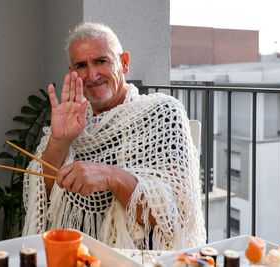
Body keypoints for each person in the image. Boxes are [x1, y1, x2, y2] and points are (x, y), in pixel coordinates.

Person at [22, 22, 205, 250]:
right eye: (81, 65)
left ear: (124, 62)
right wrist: (60, 141)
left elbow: (172, 217)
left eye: (101, 61)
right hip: (70, 252)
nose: (92, 74)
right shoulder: (73, 116)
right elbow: (42, 199)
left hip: (135, 257)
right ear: (73, 73)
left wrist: (112, 177)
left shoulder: (162, 113)